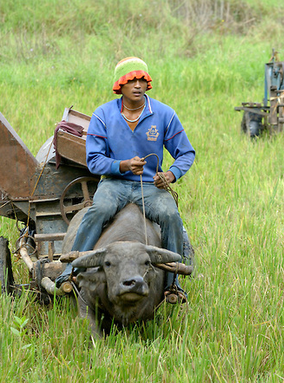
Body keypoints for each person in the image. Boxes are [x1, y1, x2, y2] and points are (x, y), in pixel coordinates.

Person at [55, 57, 195, 304]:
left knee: (171, 215)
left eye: (142, 79)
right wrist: (122, 165)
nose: (138, 85)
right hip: (114, 184)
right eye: (132, 80)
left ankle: (173, 283)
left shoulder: (164, 114)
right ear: (120, 85)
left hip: (149, 186)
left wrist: (171, 174)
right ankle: (71, 270)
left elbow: (186, 153)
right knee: (99, 210)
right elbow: (95, 161)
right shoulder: (103, 115)